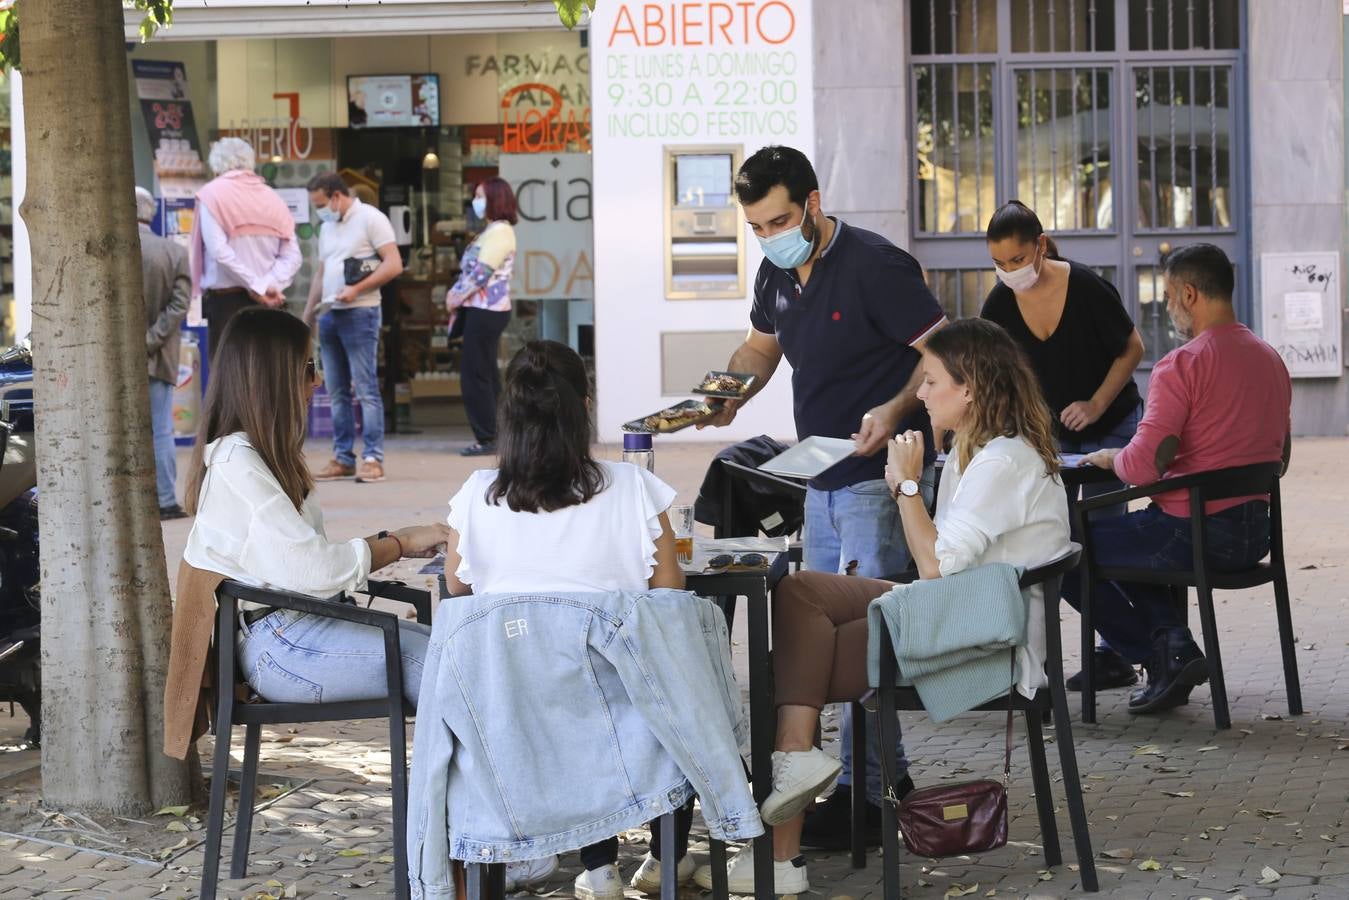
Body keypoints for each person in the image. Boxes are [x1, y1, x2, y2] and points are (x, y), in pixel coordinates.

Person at [698, 318, 1071, 893]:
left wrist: (904, 483)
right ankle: (795, 778)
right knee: (799, 591)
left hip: (979, 639)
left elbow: (936, 567)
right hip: (954, 610)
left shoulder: (1001, 462)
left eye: (930, 382)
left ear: (969, 389)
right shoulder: (986, 451)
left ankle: (781, 850)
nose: (919, 396)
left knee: (797, 662)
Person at [698, 145, 946, 848]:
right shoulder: (776, 272)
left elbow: (943, 349)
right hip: (820, 480)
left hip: (879, 478)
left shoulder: (876, 265)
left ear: (811, 203)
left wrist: (896, 408)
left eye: (777, 219)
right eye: (754, 226)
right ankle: (878, 788)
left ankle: (870, 793)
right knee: (834, 641)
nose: (767, 235)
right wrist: (724, 393)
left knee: (868, 641)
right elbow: (757, 350)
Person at [441, 340, 696, 899]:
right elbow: (671, 594)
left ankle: (600, 868)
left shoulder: (475, 497)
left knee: (572, 691)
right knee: (668, 685)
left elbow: (457, 587)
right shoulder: (632, 489)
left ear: (507, 415)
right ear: (585, 405)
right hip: (627, 717)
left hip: (513, 721)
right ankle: (666, 858)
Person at [1064, 243, 1292, 714]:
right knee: (1133, 535)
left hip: (1195, 533)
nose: (1168, 307)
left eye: (1168, 296)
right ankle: (1171, 642)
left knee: (1063, 549)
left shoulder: (1182, 364)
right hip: (1256, 534)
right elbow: (1281, 455)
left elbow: (1143, 466)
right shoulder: (1270, 358)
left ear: (1188, 294)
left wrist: (1110, 458)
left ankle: (1164, 655)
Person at [179, 307, 446, 706]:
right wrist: (400, 543)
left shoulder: (256, 454)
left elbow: (306, 562)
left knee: (457, 654)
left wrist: (392, 540)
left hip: (300, 626)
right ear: (271, 377)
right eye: (308, 367)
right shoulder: (238, 462)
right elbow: (316, 570)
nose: (317, 381)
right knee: (445, 668)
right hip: (283, 644)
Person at [980, 200, 1146, 691]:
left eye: (1017, 259)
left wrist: (1095, 404)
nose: (1009, 271)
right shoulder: (1000, 303)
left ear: (1041, 246)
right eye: (999, 263)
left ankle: (1114, 652)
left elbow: (1132, 348)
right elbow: (991, 372)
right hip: (1050, 433)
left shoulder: (1086, 286)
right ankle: (1039, 656)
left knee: (1101, 535)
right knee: (1048, 534)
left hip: (1111, 421)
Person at [302, 172, 404, 484]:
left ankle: (373, 457)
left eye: (320, 203)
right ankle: (343, 457)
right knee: (336, 390)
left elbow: (393, 263)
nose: (319, 210)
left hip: (360, 312)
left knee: (365, 387)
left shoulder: (371, 219)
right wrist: (308, 315)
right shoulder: (327, 226)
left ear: (336, 196)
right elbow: (321, 273)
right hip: (330, 313)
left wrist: (357, 290)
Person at [190, 137, 302, 362]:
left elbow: (218, 250)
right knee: (263, 372)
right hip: (269, 301)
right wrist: (269, 284)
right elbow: (293, 255)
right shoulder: (273, 198)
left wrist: (257, 285)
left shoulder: (212, 194)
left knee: (228, 375)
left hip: (226, 302)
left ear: (217, 165)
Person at [445, 178, 518, 457]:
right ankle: (496, 433)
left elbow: (482, 271)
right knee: (485, 372)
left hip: (486, 310)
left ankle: (488, 436)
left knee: (475, 374)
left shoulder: (499, 232)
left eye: (479, 196)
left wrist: (456, 295)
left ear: (494, 199)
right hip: (484, 309)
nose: (475, 201)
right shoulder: (492, 231)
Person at [137, 186, 192, 520]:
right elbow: (180, 303)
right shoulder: (173, 251)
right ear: (151, 212)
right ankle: (166, 499)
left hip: (115, 360)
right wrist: (152, 338)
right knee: (161, 428)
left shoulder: (110, 250)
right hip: (159, 356)